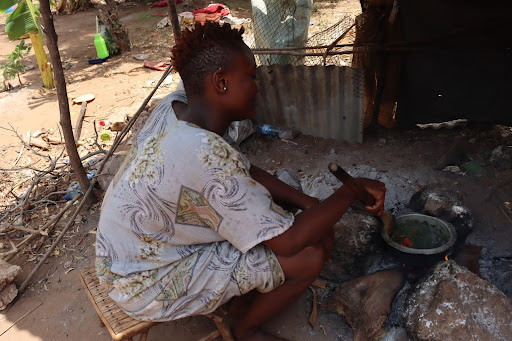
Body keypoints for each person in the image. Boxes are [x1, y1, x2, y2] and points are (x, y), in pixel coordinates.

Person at [95, 22, 386, 341]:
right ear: (221, 82)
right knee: (309, 254)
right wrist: (347, 191)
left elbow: (241, 170)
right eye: (250, 77)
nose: (257, 87)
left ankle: (241, 301)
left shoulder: (177, 113)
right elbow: (290, 242)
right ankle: (245, 329)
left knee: (278, 210)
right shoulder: (205, 154)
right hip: (145, 286)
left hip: (120, 262)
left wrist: (310, 204)